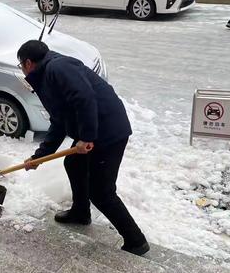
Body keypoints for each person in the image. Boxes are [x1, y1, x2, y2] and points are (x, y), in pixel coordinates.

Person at [18, 40, 149, 256]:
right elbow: (59, 121)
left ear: (29, 63)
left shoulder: (58, 68)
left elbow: (84, 98)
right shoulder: (46, 76)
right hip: (96, 130)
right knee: (74, 163)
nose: (22, 69)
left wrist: (87, 137)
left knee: (101, 192)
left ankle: (136, 241)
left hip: (108, 131)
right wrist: (40, 156)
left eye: (21, 65)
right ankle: (80, 213)